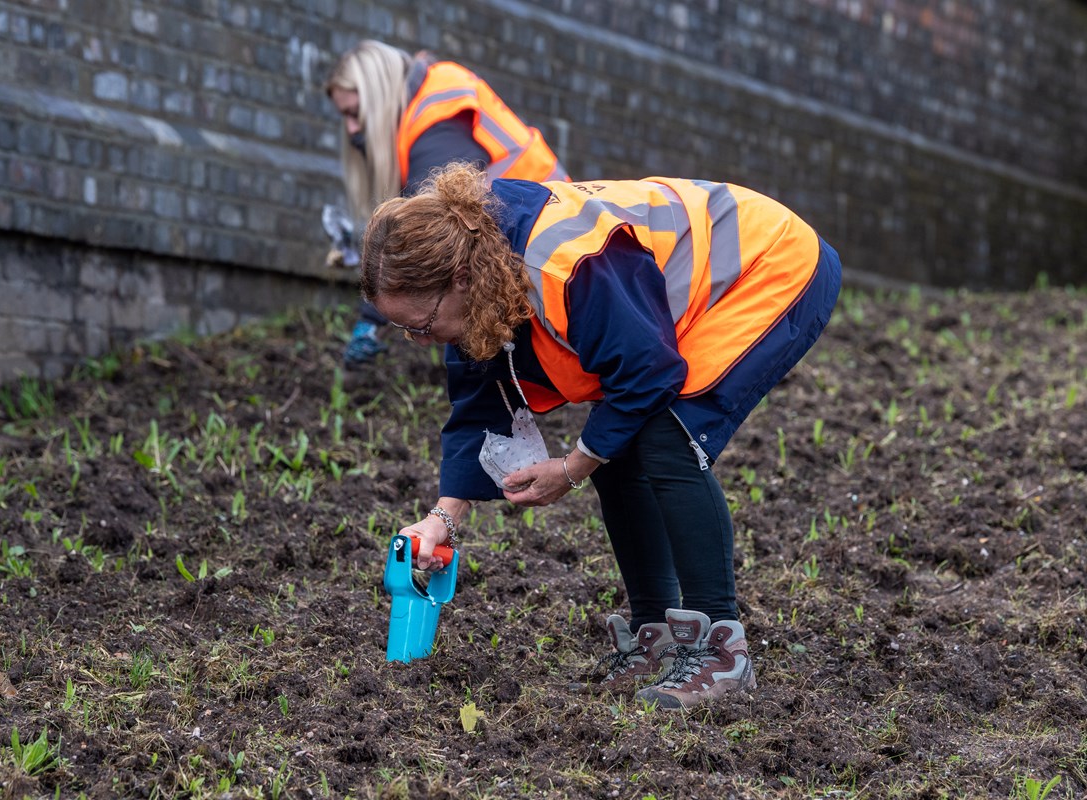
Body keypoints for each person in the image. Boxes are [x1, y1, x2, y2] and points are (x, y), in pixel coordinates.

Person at [360, 164, 842, 709]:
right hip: (676, 306)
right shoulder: (475, 268)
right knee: (617, 443)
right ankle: (655, 637)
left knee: (663, 432)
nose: (417, 340)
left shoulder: (565, 266)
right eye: (402, 328)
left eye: (420, 324)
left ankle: (722, 652)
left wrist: (572, 467)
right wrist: (442, 519)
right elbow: (478, 406)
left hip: (766, 264)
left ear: (460, 281)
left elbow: (648, 375)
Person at [324, 40, 569, 367]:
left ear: (378, 96)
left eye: (355, 113)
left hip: (556, 253)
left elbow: (423, 236)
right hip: (537, 246)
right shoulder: (424, 112)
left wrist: (372, 318)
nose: (351, 129)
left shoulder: (437, 118)